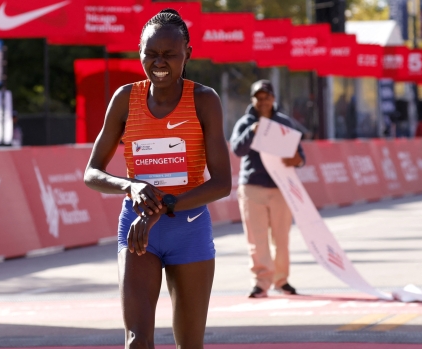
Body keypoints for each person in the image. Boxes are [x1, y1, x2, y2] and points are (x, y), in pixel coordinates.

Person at [83, 9, 231, 349]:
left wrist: (164, 206)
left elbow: (222, 183)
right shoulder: (125, 99)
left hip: (188, 227)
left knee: (190, 344)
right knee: (136, 341)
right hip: (137, 229)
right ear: (139, 53)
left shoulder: (204, 100)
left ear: (187, 54)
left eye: (169, 54)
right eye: (150, 54)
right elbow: (92, 173)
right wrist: (130, 185)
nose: (159, 62)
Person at [230, 79, 306, 299]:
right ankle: (261, 282)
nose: (263, 102)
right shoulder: (245, 122)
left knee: (281, 238)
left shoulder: (283, 122)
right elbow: (237, 149)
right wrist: (253, 131)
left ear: (273, 99)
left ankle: (281, 280)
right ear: (253, 100)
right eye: (258, 98)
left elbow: (300, 156)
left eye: (267, 97)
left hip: (280, 187)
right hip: (253, 187)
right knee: (257, 239)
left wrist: (296, 160)